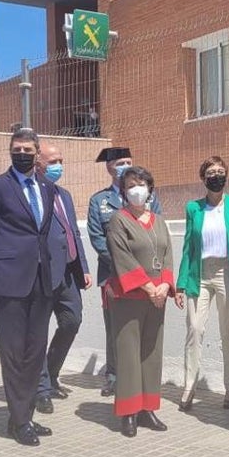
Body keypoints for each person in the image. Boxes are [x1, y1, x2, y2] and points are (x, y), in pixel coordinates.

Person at [0, 128, 56, 446]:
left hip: (42, 279)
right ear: (10, 151)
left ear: (37, 153)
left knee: (35, 352)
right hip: (9, 281)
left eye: (27, 150)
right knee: (14, 352)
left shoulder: (47, 188)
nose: (22, 154)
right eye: (16, 149)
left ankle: (23, 415)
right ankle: (20, 421)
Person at [104, 166, 176, 437]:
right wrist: (149, 287)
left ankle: (147, 408)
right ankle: (129, 412)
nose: (137, 190)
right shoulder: (118, 220)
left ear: (150, 189)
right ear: (123, 191)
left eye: (142, 184)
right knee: (128, 354)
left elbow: (167, 255)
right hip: (129, 297)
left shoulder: (159, 221)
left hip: (157, 298)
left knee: (151, 353)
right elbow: (121, 257)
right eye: (131, 185)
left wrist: (165, 285)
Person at [87, 147, 161, 397]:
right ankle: (114, 376)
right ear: (109, 167)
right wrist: (122, 263)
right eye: (120, 163)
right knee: (115, 328)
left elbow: (156, 231)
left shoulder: (150, 197)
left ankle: (140, 377)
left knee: (145, 328)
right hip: (112, 275)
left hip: (146, 277)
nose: (125, 166)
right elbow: (97, 238)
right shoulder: (99, 201)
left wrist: (140, 266)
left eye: (128, 162)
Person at [175, 156, 229, 412]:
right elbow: (188, 247)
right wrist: (181, 283)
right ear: (203, 178)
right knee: (194, 329)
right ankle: (189, 386)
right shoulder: (194, 208)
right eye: (211, 172)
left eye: (220, 171)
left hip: (227, 271)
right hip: (199, 273)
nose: (216, 176)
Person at [34, 143, 91, 414]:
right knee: (38, 331)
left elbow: (73, 232)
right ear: (38, 164)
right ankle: (40, 389)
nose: (59, 166)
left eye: (61, 160)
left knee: (72, 321)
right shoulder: (32, 194)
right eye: (53, 161)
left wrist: (83, 266)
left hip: (69, 272)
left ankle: (51, 373)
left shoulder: (63, 194)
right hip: (42, 274)